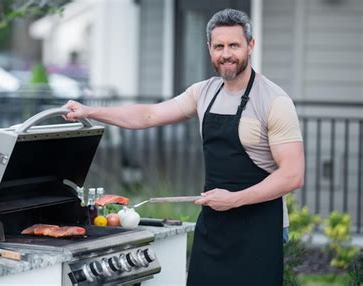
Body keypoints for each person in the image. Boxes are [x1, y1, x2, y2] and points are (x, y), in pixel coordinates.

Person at [64, 8, 304, 286]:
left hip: (259, 226)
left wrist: (234, 199)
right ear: (209, 49)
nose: (226, 53)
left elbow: (293, 175)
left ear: (250, 46)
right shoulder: (204, 93)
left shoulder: (274, 100)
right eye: (219, 46)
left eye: (234, 45)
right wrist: (89, 111)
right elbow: (148, 115)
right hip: (214, 224)